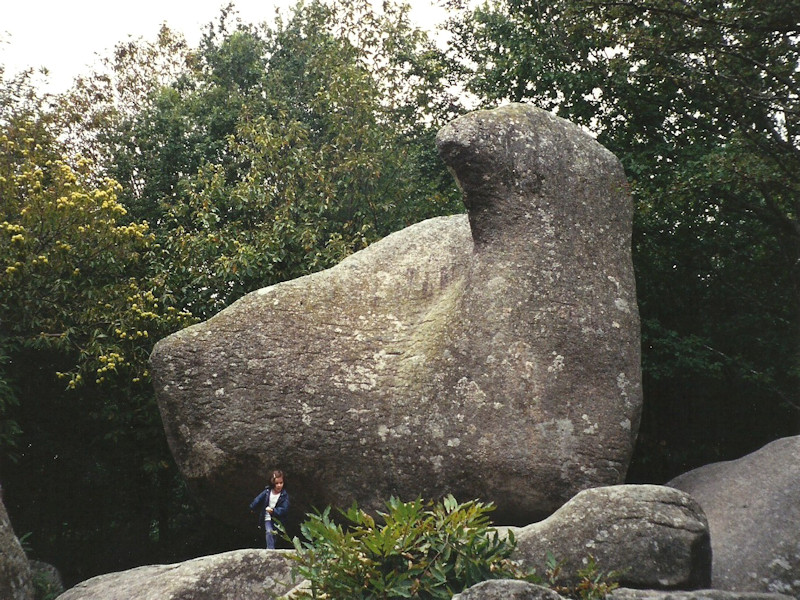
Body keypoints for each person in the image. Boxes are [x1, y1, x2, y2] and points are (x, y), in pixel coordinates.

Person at [249, 469, 289, 549]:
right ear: (272, 483)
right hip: (267, 517)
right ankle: (270, 550)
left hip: (277, 520)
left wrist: (274, 511)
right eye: (276, 483)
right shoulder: (267, 492)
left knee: (275, 534)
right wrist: (253, 507)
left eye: (281, 483)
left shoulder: (284, 495)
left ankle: (272, 547)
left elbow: (284, 509)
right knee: (269, 532)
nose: (279, 485)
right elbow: (258, 499)